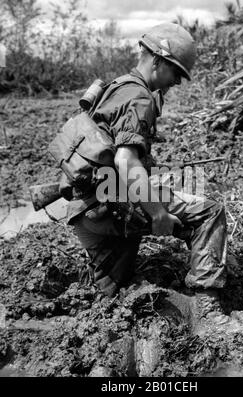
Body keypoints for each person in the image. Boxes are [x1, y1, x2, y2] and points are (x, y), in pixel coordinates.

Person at [66, 23, 228, 303]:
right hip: (111, 205)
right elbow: (126, 162)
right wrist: (158, 215)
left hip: (86, 211)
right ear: (157, 60)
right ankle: (208, 308)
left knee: (109, 294)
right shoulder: (140, 98)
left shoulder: (117, 87)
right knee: (210, 214)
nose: (177, 82)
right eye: (176, 72)